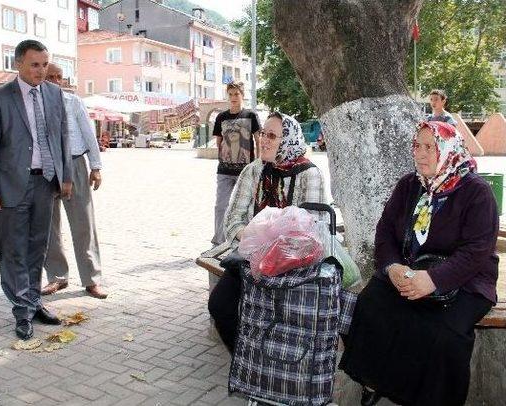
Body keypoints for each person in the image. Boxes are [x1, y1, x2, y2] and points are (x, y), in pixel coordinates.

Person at [339, 121, 499, 406]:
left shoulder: (476, 192)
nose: (420, 154)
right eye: (417, 146)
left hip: (465, 281)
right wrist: (392, 267)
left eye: (429, 147)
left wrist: (434, 280)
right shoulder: (410, 186)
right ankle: (377, 380)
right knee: (371, 304)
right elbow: (385, 230)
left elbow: (476, 251)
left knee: (444, 336)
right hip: (411, 270)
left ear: (449, 150)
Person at [208, 112, 327, 352]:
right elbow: (233, 220)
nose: (263, 140)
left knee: (279, 317)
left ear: (288, 140)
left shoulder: (309, 174)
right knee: (220, 305)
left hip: (294, 266)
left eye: (272, 135)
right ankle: (244, 358)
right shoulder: (253, 171)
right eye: (263, 133)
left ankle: (271, 365)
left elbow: (312, 234)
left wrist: (270, 246)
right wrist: (255, 240)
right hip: (251, 257)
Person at [0, 40, 72, 340]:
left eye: (45, 64)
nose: (41, 70)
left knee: (38, 247)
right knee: (14, 251)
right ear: (18, 64)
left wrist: (66, 176)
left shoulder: (55, 94)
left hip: (45, 183)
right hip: (10, 185)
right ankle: (22, 309)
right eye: (35, 64)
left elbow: (62, 138)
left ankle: (34, 301)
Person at [41, 63, 108, 299]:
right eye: (51, 76)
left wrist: (96, 167)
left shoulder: (73, 101)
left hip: (75, 164)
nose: (56, 80)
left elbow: (89, 133)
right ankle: (57, 276)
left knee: (83, 224)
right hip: (47, 169)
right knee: (49, 226)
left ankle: (92, 279)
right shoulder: (35, 103)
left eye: (60, 77)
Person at [211, 81, 261, 246]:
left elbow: (258, 141)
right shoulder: (221, 117)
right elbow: (218, 142)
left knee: (248, 207)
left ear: (242, 95)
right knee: (221, 206)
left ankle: (246, 240)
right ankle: (218, 241)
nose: (233, 97)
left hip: (246, 171)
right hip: (224, 171)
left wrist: (259, 163)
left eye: (236, 94)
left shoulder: (251, 116)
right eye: (230, 94)